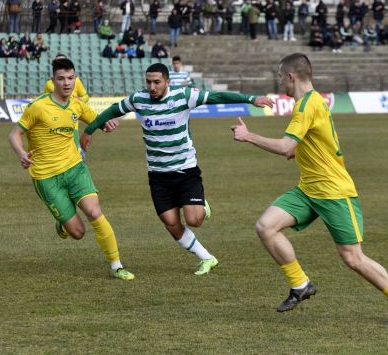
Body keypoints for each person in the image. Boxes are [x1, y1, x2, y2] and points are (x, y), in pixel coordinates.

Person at [229, 53, 388, 324]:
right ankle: (300, 284)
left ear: (291, 77)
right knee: (266, 226)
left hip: (334, 192)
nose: (280, 81)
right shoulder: (313, 102)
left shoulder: (306, 106)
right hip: (308, 189)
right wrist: (299, 152)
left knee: (353, 258)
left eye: (281, 77)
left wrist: (248, 136)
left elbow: (284, 146)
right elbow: (302, 145)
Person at [80, 63, 274, 276]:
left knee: (195, 220)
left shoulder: (184, 96)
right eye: (149, 82)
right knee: (171, 223)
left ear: (167, 82)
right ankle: (207, 258)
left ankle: (201, 203)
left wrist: (251, 99)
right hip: (157, 175)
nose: (152, 87)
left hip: (184, 170)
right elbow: (113, 110)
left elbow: (217, 97)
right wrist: (89, 130)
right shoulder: (138, 99)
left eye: (157, 82)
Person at [8, 58, 134, 281]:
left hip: (75, 169)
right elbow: (14, 134)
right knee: (78, 233)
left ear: (76, 79)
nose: (67, 83)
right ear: (52, 80)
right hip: (46, 177)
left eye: (70, 78)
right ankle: (63, 224)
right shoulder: (38, 106)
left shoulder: (77, 104)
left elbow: (98, 121)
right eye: (61, 79)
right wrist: (21, 154)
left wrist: (108, 124)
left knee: (95, 213)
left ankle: (116, 265)